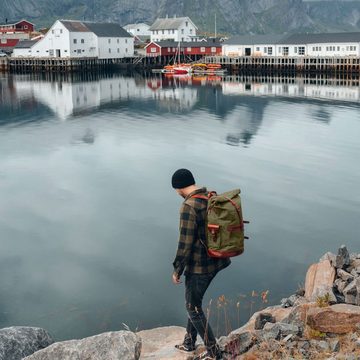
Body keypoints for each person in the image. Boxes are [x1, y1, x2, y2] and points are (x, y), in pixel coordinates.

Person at [171, 168, 231, 360]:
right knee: (194, 303)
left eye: (175, 190)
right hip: (217, 261)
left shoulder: (189, 206)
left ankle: (215, 353)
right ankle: (189, 343)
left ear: (179, 188)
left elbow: (185, 243)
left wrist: (177, 269)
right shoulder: (210, 196)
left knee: (193, 308)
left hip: (200, 267)